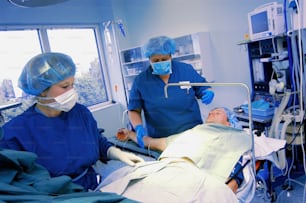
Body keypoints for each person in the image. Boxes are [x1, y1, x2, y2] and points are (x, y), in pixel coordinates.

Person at [0, 52, 144, 191]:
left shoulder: (80, 112)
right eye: (64, 86)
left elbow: (96, 140)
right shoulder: (15, 133)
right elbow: (13, 185)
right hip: (54, 197)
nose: (72, 91)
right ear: (42, 90)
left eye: (72, 84)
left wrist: (115, 152)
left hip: (93, 185)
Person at [99, 107, 252, 203]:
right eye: (210, 112)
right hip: (166, 168)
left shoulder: (236, 137)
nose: (211, 112)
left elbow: (239, 163)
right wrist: (131, 134)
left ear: (229, 123)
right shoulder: (193, 132)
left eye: (218, 112)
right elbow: (151, 142)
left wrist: (228, 188)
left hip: (196, 176)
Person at [128, 35, 214, 148]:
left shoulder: (186, 70)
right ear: (149, 59)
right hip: (161, 140)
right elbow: (134, 110)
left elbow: (202, 87)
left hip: (193, 134)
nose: (160, 62)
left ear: (170, 56)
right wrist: (138, 127)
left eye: (164, 59)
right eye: (156, 60)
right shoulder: (141, 81)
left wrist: (208, 92)